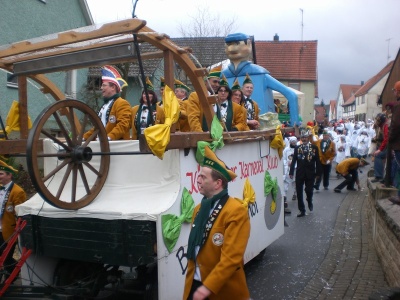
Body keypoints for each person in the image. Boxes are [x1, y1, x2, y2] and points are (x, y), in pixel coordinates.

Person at [183, 146, 250, 300]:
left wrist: (207, 288)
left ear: (218, 183)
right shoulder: (199, 209)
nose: (198, 180)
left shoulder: (236, 211)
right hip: (195, 285)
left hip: (220, 290)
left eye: (203, 177)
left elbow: (231, 259)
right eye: (198, 176)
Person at [222, 32, 299, 126]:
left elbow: (291, 95)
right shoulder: (222, 75)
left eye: (237, 44)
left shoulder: (260, 74)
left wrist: (294, 122)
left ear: (249, 44)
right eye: (229, 44)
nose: (231, 48)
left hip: (260, 127)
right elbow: (291, 95)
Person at [83, 65, 132, 141]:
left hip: (116, 145)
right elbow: (97, 127)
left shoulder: (122, 103)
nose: (101, 88)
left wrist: (109, 137)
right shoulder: (105, 105)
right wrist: (84, 137)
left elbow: (123, 125)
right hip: (103, 144)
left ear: (113, 87)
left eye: (104, 85)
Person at [0, 160, 27, 282]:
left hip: (8, 230)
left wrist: (17, 230)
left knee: (6, 256)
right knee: (3, 257)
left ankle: (9, 280)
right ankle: (12, 274)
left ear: (9, 175)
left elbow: (20, 214)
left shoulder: (17, 191)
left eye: (1, 174)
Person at [289, 129, 321, 217]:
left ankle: (309, 200)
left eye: (305, 137)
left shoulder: (314, 148)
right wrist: (291, 172)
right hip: (300, 173)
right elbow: (294, 160)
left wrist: (318, 173)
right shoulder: (297, 148)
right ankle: (302, 210)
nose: (304, 139)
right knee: (299, 192)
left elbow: (317, 161)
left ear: (308, 138)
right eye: (302, 137)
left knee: (309, 190)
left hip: (310, 173)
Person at [388, 81, 400, 204]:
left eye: (395, 91)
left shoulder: (398, 106)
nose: (394, 93)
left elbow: (395, 125)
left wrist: (390, 139)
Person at [371, 113, 389, 183]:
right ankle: (383, 177)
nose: (377, 123)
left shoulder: (386, 125)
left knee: (378, 155)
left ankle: (379, 176)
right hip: (389, 146)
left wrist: (380, 149)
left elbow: (386, 139)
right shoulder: (384, 125)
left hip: (391, 147)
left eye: (378, 121)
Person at [282, 136, 298, 213]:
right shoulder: (286, 150)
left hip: (296, 168)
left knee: (295, 182)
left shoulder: (298, 149)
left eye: (294, 142)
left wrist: (296, 164)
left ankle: (295, 193)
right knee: (286, 182)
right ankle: (284, 197)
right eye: (292, 142)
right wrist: (287, 163)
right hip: (288, 169)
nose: (293, 143)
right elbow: (284, 158)